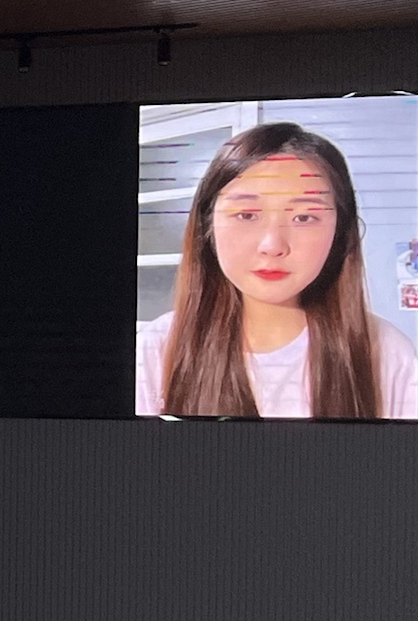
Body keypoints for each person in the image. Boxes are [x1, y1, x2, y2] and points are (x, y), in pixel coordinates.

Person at [138, 120, 418, 419]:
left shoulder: (385, 353)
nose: (272, 245)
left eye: (304, 218)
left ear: (339, 233)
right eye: (247, 215)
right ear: (208, 227)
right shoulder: (155, 351)